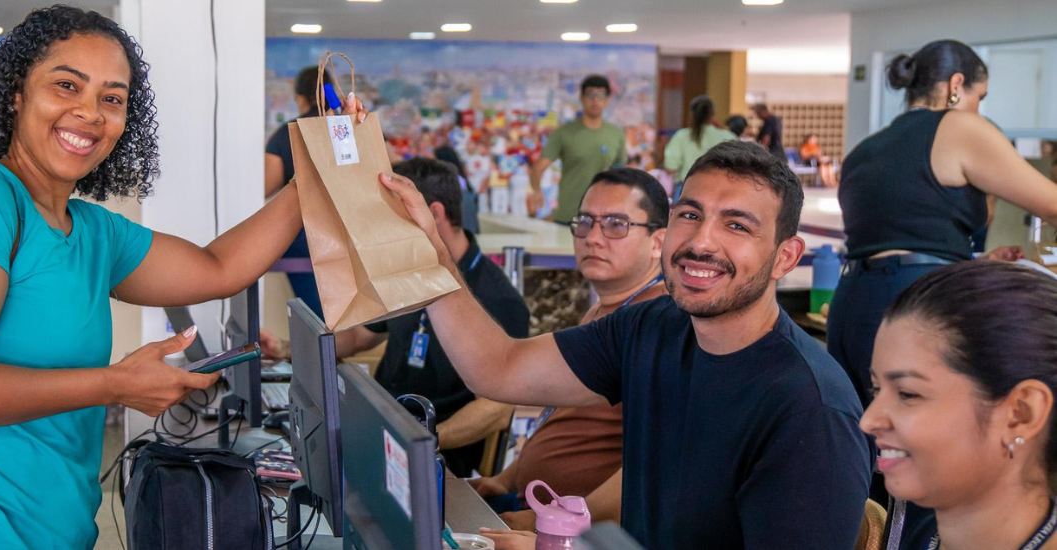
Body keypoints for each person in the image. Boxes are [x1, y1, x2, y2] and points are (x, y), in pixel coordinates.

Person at [0, 8, 368, 549]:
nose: (90, 113)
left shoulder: (91, 230)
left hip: (58, 532)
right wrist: (114, 384)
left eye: (112, 98)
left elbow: (218, 269)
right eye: (66, 85)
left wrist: (317, 171)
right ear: (16, 94)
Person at [379, 140, 872, 549]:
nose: (701, 242)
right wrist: (434, 253)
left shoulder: (811, 411)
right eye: (690, 214)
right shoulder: (652, 326)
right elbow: (499, 367)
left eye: (737, 225)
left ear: (785, 257)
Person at [829, 38, 1057, 543]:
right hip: (917, 305)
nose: (981, 110)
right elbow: (1051, 203)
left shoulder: (868, 147)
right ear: (957, 87)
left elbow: (898, 240)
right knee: (934, 464)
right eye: (982, 96)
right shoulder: (959, 127)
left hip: (855, 303)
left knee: (872, 459)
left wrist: (972, 263)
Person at [470, 168, 668, 539]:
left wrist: (552, 523)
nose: (593, 237)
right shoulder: (602, 310)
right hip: (529, 504)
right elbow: (562, 418)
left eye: (616, 224)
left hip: (578, 533)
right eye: (585, 222)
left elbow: (654, 467)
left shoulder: (657, 324)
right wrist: (505, 479)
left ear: (658, 242)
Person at [334, 157, 529, 477]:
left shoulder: (499, 298)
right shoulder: (409, 268)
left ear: (433, 213)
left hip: (441, 462)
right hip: (380, 435)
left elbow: (497, 409)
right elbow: (360, 337)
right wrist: (287, 348)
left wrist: (423, 442)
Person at [862, 261, 1057, 550]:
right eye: (877, 389)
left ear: (1020, 414)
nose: (868, 421)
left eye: (907, 394)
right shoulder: (925, 528)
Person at [263, 66, 333, 317]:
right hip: (349, 233)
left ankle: (325, 349)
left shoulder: (286, 135)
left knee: (316, 315)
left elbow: (265, 186)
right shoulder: (347, 128)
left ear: (300, 99)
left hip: (305, 239)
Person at [531, 75, 628, 224]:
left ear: (607, 100)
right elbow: (538, 168)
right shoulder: (564, 133)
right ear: (581, 98)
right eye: (590, 95)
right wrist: (537, 191)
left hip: (603, 217)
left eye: (600, 95)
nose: (595, 100)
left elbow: (622, 173)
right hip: (569, 215)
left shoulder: (616, 134)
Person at [663, 95, 737, 200]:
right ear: (713, 115)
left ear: (691, 115)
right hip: (722, 192)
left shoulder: (681, 136)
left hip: (687, 189)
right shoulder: (728, 136)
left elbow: (670, 168)